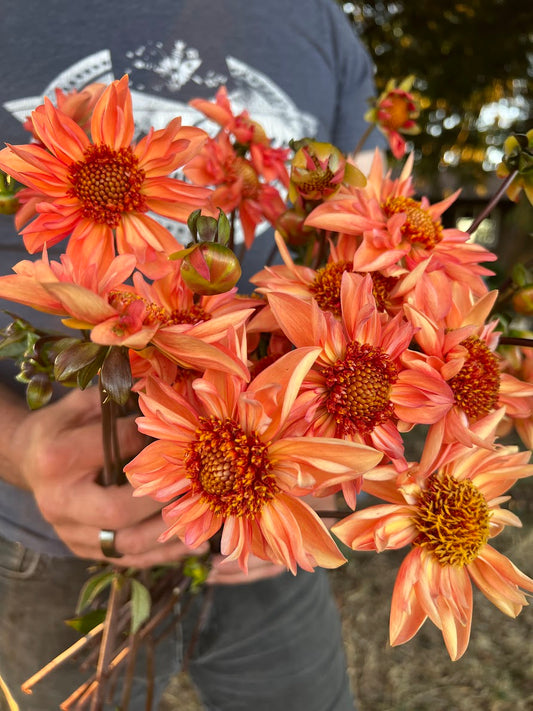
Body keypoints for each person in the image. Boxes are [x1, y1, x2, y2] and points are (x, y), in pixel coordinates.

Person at [0, 1, 385, 709]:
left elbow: (375, 258)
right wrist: (19, 444)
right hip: (53, 534)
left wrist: (329, 449)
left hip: (262, 535)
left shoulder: (322, 25)